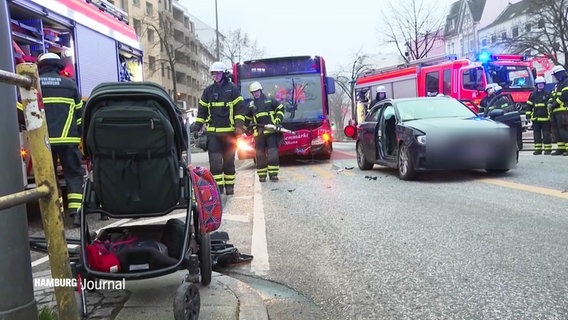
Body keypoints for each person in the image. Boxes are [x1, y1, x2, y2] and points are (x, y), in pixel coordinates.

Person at [38, 52, 85, 227]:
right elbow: (80, 116)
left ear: (41, 66)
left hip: (44, 142)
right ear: (59, 67)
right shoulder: (70, 85)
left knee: (47, 177)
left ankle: (51, 215)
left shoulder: (33, 84)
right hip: (68, 140)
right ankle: (76, 214)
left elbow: (21, 113)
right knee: (73, 174)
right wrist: (78, 134)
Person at [190, 61, 245, 195]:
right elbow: (202, 111)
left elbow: (240, 110)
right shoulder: (208, 91)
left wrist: (238, 126)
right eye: (214, 73)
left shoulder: (233, 89)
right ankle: (218, 188)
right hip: (213, 135)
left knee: (228, 162)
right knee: (215, 164)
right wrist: (198, 124)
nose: (216, 75)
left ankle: (230, 186)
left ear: (224, 74)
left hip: (229, 133)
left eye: (218, 73)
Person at [245, 81, 285, 182]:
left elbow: (280, 109)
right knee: (259, 155)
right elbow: (246, 119)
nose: (256, 93)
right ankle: (262, 175)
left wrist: (277, 120)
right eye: (253, 92)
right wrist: (245, 128)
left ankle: (273, 174)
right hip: (258, 134)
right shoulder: (251, 105)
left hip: (271, 132)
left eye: (257, 91)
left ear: (261, 90)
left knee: (273, 154)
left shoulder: (270, 100)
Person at [526, 76, 552, 155]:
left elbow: (551, 105)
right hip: (536, 118)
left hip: (545, 118)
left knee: (546, 134)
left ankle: (547, 149)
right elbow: (529, 106)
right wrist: (528, 116)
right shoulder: (532, 95)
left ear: (544, 84)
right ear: (536, 85)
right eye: (538, 84)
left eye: (542, 84)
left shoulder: (548, 94)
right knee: (536, 134)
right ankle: (538, 149)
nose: (540, 85)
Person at [548, 65, 568, 155]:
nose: (555, 77)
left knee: (564, 129)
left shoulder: (566, 82)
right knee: (557, 130)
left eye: (555, 75)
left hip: (563, 110)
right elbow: (552, 95)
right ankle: (561, 148)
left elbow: (565, 95)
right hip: (556, 111)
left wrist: (554, 104)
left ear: (560, 74)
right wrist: (550, 102)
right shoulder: (558, 84)